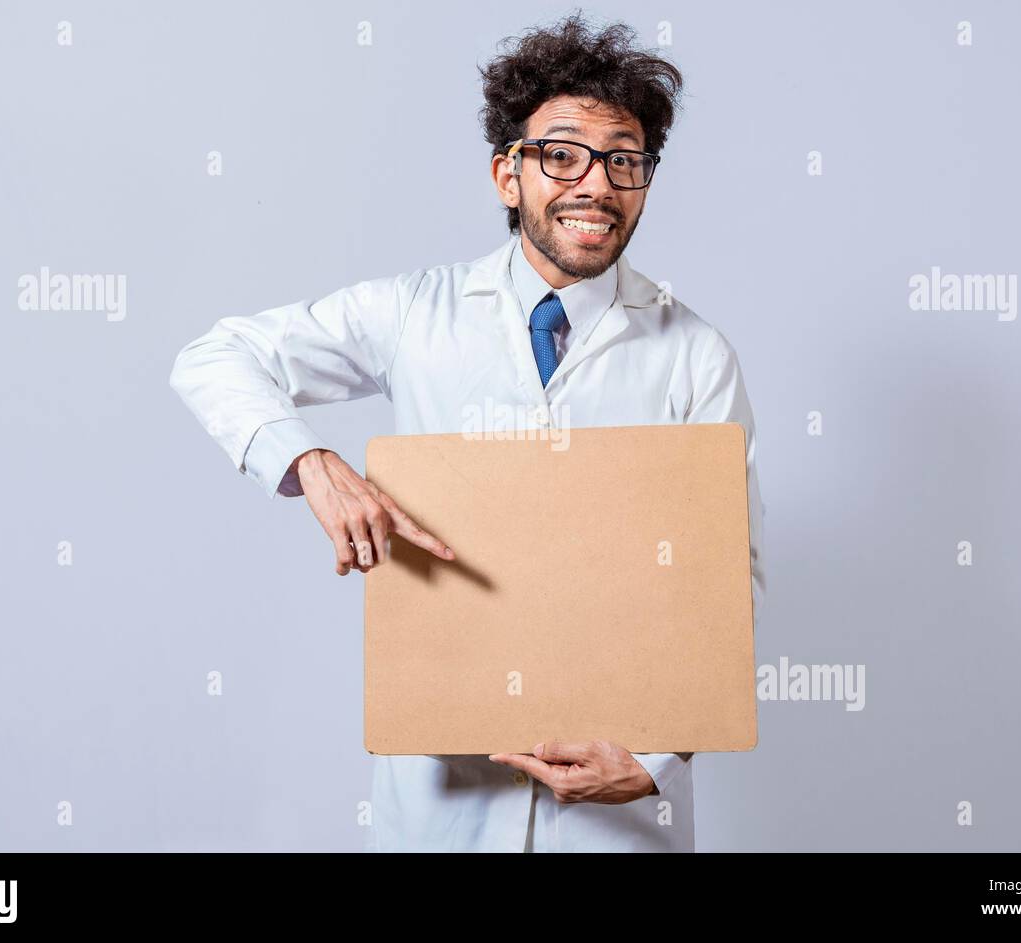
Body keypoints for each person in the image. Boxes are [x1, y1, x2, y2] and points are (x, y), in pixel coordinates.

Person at [169, 11, 766, 852]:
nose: (595, 185)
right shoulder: (416, 313)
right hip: (441, 804)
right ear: (506, 174)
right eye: (561, 154)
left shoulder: (695, 353)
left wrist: (657, 760)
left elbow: (730, 574)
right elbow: (214, 356)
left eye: (623, 160)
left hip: (618, 817)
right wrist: (310, 462)